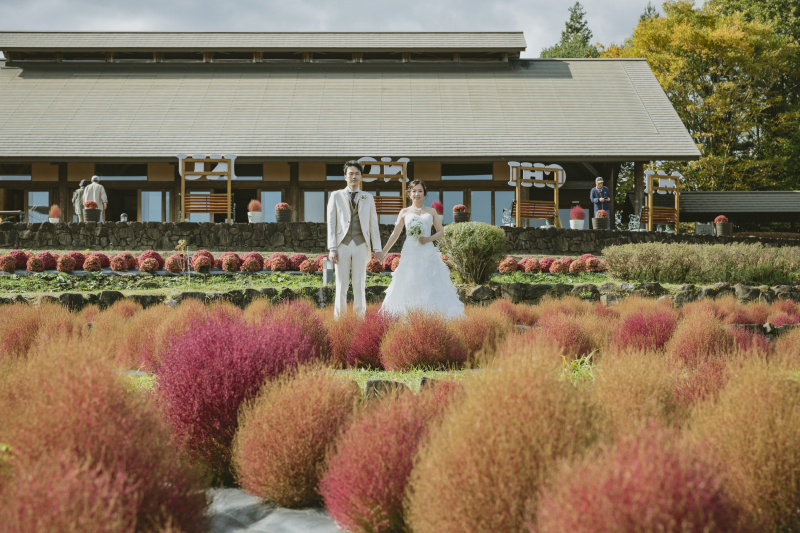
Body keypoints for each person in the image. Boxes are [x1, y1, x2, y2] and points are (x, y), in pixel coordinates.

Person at [380, 180, 464, 319]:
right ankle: (407, 315)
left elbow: (441, 232)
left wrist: (428, 239)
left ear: (424, 194)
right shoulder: (404, 212)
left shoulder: (431, 211)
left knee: (429, 280)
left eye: (420, 191)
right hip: (410, 250)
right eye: (414, 191)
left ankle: (431, 316)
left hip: (427, 250)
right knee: (409, 279)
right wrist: (383, 251)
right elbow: (395, 234)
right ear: (409, 194)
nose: (417, 194)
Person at [327, 160, 383, 318]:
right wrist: (332, 248)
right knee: (341, 285)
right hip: (342, 244)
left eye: (357, 174)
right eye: (350, 174)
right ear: (345, 176)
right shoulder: (336, 196)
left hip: (361, 245)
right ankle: (340, 322)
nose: (354, 176)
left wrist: (377, 248)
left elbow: (373, 224)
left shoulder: (368, 197)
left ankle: (360, 321)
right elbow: (331, 223)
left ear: (361, 177)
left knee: (359, 284)